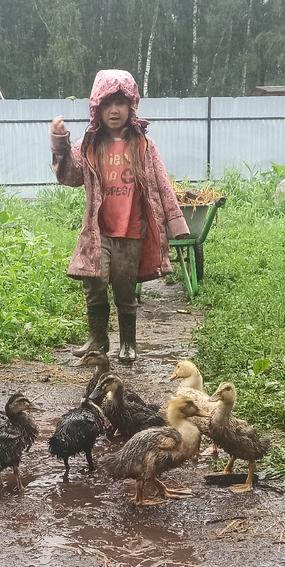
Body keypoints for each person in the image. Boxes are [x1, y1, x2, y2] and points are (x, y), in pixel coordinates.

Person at [50, 69, 189, 364]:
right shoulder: (89, 145)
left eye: (120, 103)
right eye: (107, 104)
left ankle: (128, 343)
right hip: (98, 232)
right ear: (96, 108)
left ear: (131, 106)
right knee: (94, 285)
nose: (114, 110)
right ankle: (98, 340)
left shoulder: (144, 146)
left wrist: (177, 223)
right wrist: (60, 143)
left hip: (131, 232)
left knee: (125, 290)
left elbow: (163, 184)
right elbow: (70, 176)